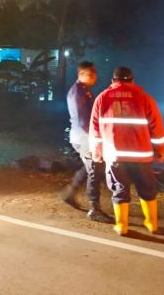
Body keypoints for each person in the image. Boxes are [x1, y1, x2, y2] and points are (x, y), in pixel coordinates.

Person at [89, 66, 164, 236]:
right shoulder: (145, 98)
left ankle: (122, 226)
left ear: (113, 81)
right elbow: (157, 128)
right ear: (132, 80)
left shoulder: (102, 99)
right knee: (147, 189)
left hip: (115, 155)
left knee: (119, 189)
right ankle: (152, 223)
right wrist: (160, 150)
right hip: (142, 157)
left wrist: (97, 151)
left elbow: (95, 130)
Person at [61, 61, 112, 223]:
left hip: (84, 136)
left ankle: (69, 193)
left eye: (95, 73)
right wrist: (96, 138)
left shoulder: (83, 90)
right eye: (91, 74)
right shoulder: (77, 93)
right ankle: (94, 209)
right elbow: (84, 121)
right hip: (84, 137)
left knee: (90, 167)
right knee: (95, 170)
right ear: (81, 74)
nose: (94, 77)